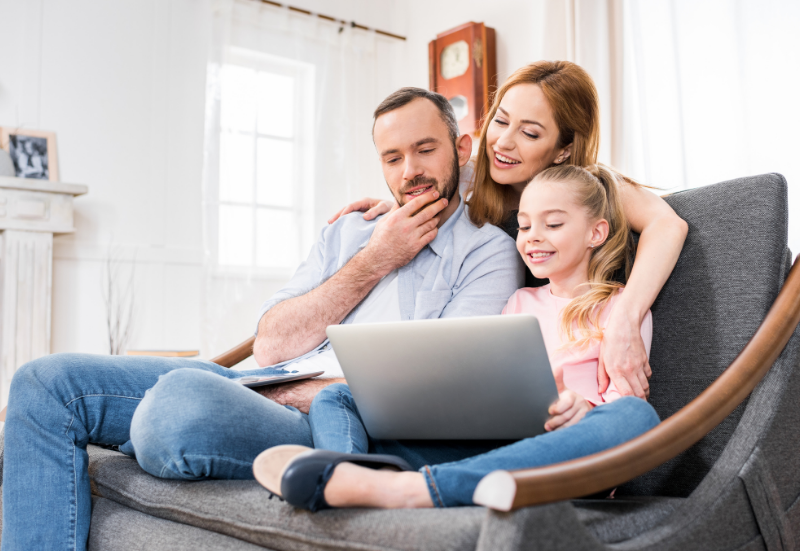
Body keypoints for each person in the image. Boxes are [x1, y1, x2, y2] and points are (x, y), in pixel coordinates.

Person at [0, 88, 522, 551]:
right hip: (261, 383)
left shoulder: (487, 252)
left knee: (176, 405)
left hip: (330, 419)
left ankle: (153, 426)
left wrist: (295, 393)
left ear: (461, 149)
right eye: (392, 157)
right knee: (44, 383)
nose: (409, 171)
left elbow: (437, 391)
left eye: (425, 149)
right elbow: (270, 345)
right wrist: (375, 260)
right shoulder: (351, 234)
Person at [253, 163, 660, 510]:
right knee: (337, 395)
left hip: (565, 459)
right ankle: (351, 475)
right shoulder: (519, 299)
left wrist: (582, 410)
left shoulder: (623, 309)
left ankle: (403, 488)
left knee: (638, 418)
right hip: (489, 449)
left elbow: (624, 406)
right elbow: (487, 379)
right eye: (523, 225)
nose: (533, 236)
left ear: (596, 232)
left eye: (552, 224)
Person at [328, 61, 688, 401]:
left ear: (563, 150)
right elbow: (425, 178)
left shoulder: (588, 187)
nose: (503, 142)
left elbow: (668, 224)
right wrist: (396, 205)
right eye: (501, 121)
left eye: (530, 132)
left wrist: (626, 318)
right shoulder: (475, 172)